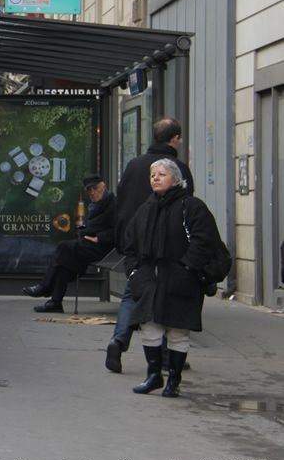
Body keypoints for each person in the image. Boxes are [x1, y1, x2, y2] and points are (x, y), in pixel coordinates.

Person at [122, 159, 219, 397]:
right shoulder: (145, 209)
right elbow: (129, 244)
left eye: (161, 174)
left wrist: (187, 267)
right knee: (150, 327)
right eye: (153, 175)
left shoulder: (192, 206)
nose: (155, 178)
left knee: (178, 331)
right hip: (150, 281)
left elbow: (205, 240)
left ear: (175, 179)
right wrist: (135, 274)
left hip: (182, 280)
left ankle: (174, 381)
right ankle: (153, 375)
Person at [106, 117, 194, 373]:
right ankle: (166, 356)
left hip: (136, 243)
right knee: (165, 296)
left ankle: (119, 340)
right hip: (167, 247)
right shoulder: (178, 168)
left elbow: (120, 205)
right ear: (175, 139)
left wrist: (123, 241)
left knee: (133, 294)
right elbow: (187, 209)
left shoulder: (134, 165)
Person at [23, 175, 116, 313]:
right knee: (63, 264)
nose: (93, 193)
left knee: (63, 246)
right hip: (89, 245)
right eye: (89, 190)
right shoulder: (95, 206)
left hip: (105, 248)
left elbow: (120, 230)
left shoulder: (114, 204)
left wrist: (99, 238)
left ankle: (45, 286)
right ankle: (55, 302)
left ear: (104, 187)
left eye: (96, 189)